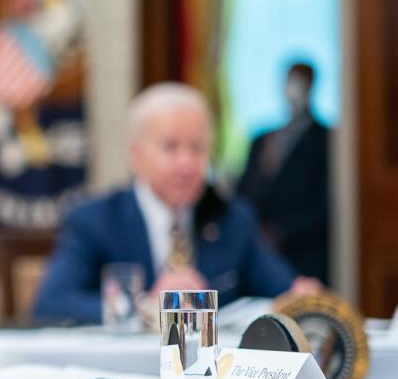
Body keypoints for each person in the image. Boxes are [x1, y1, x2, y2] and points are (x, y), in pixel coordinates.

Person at [32, 82, 320, 324]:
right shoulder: (95, 219)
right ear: (136, 155)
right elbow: (52, 302)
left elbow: (281, 289)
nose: (187, 164)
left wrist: (300, 296)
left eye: (198, 148)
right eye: (170, 147)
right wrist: (144, 308)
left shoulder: (231, 217)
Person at [237, 61, 330, 283]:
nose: (294, 90)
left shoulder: (325, 139)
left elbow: (325, 201)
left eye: (300, 83)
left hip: (304, 252)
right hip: (259, 249)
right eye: (291, 82)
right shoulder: (264, 139)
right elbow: (243, 191)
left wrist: (282, 232)